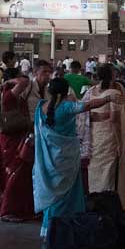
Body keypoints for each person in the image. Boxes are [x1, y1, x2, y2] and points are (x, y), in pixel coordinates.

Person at [34, 77, 114, 239]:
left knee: (53, 194)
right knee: (65, 196)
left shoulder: (40, 108)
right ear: (66, 92)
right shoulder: (65, 108)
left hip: (49, 162)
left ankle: (48, 227)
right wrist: (108, 98)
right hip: (66, 161)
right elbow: (89, 105)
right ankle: (63, 229)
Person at [86, 64, 125, 210]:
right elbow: (115, 119)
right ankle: (110, 203)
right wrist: (119, 142)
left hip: (95, 138)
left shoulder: (91, 91)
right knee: (112, 172)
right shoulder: (115, 92)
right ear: (112, 75)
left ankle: (95, 200)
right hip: (111, 136)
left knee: (96, 170)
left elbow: (86, 114)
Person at [0, 71, 34, 222]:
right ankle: (7, 210)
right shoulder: (9, 94)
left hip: (13, 138)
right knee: (15, 173)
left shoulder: (8, 95)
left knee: (15, 174)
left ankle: (15, 208)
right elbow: (24, 82)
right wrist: (9, 81)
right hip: (11, 140)